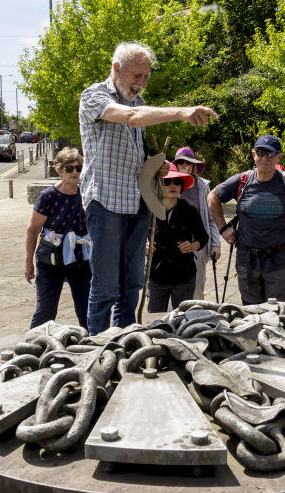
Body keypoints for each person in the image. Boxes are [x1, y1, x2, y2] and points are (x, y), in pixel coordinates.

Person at [78, 41, 218, 335]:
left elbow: (133, 150)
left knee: (132, 284)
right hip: (104, 203)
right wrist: (182, 112)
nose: (141, 83)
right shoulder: (94, 96)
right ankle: (96, 349)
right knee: (105, 287)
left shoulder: (138, 103)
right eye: (136, 75)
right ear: (117, 69)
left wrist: (157, 167)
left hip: (137, 205)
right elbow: (130, 118)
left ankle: (125, 343)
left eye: (146, 77)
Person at [208, 135, 285, 305]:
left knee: (277, 314)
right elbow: (212, 198)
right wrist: (223, 229)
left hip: (279, 261)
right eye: (261, 153)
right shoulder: (242, 181)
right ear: (254, 154)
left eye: (270, 153)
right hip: (247, 261)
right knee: (249, 314)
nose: (265, 158)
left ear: (279, 156)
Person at [24, 148, 91, 329]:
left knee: (87, 310)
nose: (75, 172)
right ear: (59, 170)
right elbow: (33, 230)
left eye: (79, 168)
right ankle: (33, 348)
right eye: (70, 169)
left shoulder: (87, 193)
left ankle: (94, 347)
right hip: (51, 259)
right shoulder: (48, 196)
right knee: (45, 311)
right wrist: (28, 262)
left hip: (80, 258)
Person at [147, 165, 209, 312]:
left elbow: (203, 237)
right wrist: (144, 244)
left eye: (177, 181)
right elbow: (135, 237)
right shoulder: (149, 212)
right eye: (167, 182)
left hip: (184, 276)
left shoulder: (190, 211)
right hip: (156, 276)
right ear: (159, 185)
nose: (172, 185)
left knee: (182, 319)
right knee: (155, 320)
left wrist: (193, 246)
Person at [173, 147, 221, 300]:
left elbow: (211, 218)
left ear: (194, 165)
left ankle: (196, 319)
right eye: (181, 161)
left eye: (189, 161)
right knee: (171, 290)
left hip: (198, 245)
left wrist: (216, 244)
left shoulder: (203, 187)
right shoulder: (169, 184)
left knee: (197, 289)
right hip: (173, 246)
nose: (185, 164)